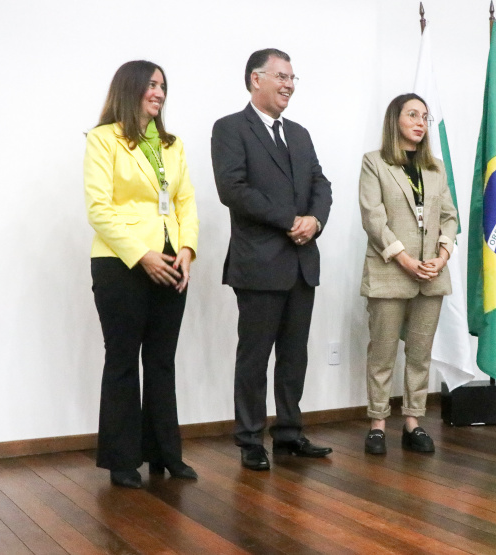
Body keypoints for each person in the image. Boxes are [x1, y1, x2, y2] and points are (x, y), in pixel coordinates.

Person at [211, 48, 333, 471]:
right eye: (281, 76)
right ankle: (249, 438)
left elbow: (321, 182)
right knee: (255, 357)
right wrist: (290, 220)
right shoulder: (229, 129)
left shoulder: (299, 133)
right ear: (255, 79)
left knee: (294, 356)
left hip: (301, 263)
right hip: (260, 265)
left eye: (293, 78)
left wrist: (315, 220)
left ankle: (288, 434)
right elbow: (233, 189)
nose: (289, 85)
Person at [84, 60, 199, 488]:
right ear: (129, 89)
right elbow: (99, 208)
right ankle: (121, 460)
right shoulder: (103, 139)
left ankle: (166, 454)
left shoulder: (172, 144)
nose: (159, 93)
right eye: (151, 84)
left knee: (161, 361)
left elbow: (186, 202)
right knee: (122, 360)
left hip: (171, 262)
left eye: (163, 86)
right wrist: (141, 254)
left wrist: (187, 250)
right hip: (120, 264)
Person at [358, 94, 457, 455]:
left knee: (420, 353)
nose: (419, 122)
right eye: (412, 115)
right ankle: (378, 424)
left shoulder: (436, 168)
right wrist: (404, 259)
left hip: (431, 273)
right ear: (394, 121)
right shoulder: (375, 163)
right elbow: (373, 218)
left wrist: (442, 256)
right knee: (382, 353)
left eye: (424, 117)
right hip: (390, 271)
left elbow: (449, 216)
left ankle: (413, 422)